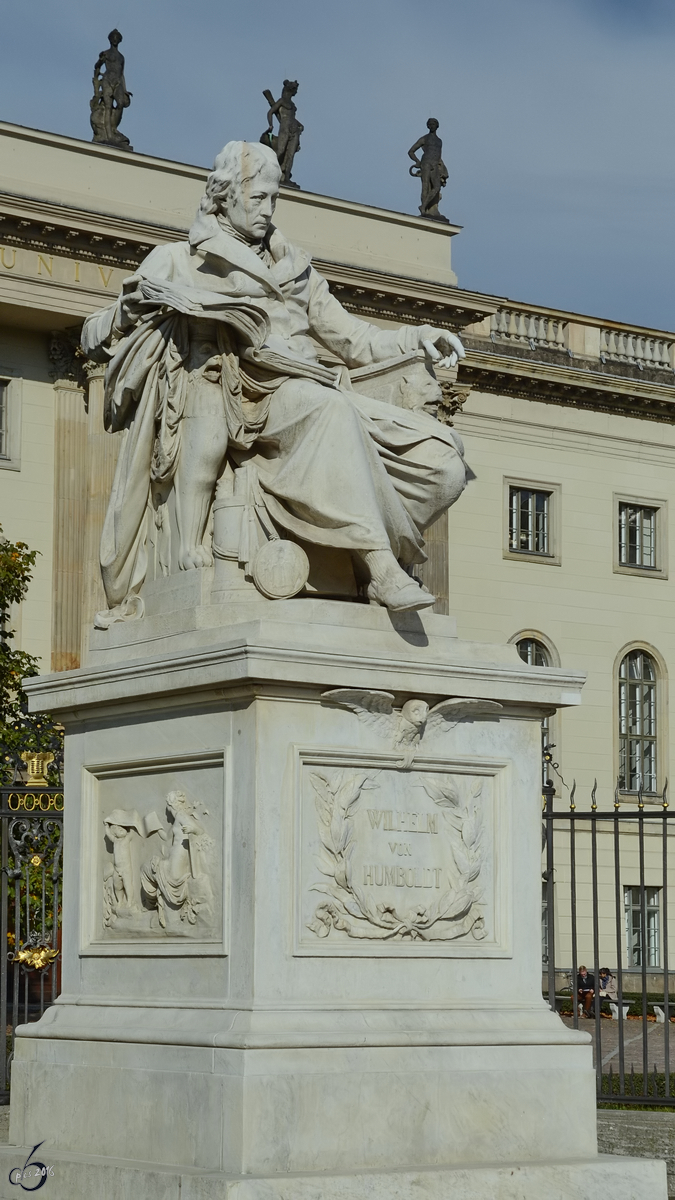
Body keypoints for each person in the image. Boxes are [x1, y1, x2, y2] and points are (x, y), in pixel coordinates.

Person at [82, 140, 469, 624]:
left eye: (273, 199)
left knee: (442, 458)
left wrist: (417, 335)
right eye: (258, 198)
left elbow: (353, 340)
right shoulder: (179, 260)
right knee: (330, 412)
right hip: (247, 398)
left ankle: (375, 551)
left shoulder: (297, 266)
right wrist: (131, 308)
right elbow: (92, 335)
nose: (268, 210)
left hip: (315, 388)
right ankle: (379, 566)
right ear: (224, 195)